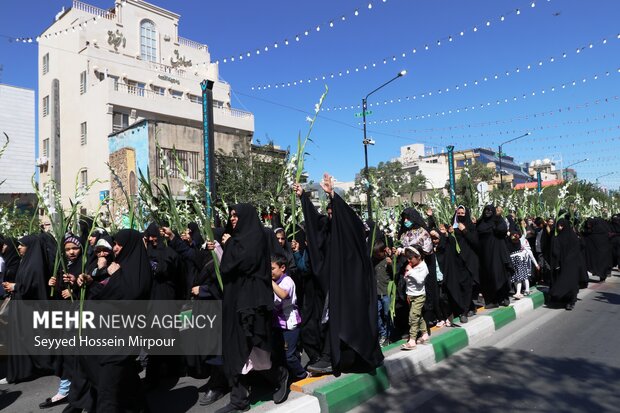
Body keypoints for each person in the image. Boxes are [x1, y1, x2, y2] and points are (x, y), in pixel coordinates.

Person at [295, 173, 383, 376]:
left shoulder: (352, 228)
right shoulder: (330, 230)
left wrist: (333, 195)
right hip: (335, 285)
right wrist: (304, 198)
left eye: (333, 210)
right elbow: (316, 224)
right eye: (329, 211)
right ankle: (330, 356)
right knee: (331, 318)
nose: (330, 214)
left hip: (353, 285)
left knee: (348, 320)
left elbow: (347, 218)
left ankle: (336, 356)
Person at [216, 204, 289, 413]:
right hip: (235, 302)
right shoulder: (234, 241)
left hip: (255, 302)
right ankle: (239, 400)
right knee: (236, 348)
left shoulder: (261, 236)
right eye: (230, 215)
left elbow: (254, 262)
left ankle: (279, 375)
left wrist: (230, 248)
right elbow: (226, 268)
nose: (232, 219)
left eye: (236, 215)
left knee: (258, 346)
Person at [271, 253, 307, 381]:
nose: (270, 272)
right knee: (281, 354)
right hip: (277, 324)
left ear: (282, 268)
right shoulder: (275, 282)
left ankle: (302, 375)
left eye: (272, 269)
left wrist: (269, 282)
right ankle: (291, 375)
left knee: (288, 356)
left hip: (289, 324)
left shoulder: (287, 281)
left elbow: (283, 294)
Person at [476, 204, 512, 308]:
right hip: (485, 256)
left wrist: (494, 226)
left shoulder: (498, 220)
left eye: (490, 210)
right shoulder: (480, 222)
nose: (487, 212)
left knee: (499, 274)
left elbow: (502, 230)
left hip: (497, 254)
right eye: (486, 210)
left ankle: (504, 297)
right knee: (489, 277)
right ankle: (493, 300)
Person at [549, 219, 589, 310]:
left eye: (562, 226)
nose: (559, 227)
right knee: (564, 281)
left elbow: (581, 246)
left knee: (572, 283)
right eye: (558, 225)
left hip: (573, 264)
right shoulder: (558, 237)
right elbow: (556, 252)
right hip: (563, 264)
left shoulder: (574, 237)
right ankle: (565, 299)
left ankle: (571, 301)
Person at [400, 246, 429, 351]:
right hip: (411, 295)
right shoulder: (412, 264)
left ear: (418, 257)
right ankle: (425, 334)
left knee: (413, 317)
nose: (408, 260)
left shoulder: (423, 267)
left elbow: (420, 280)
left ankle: (412, 340)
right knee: (418, 316)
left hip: (419, 296)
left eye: (411, 258)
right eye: (407, 258)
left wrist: (411, 271)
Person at [507, 230, 539, 300]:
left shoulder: (516, 241)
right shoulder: (513, 241)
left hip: (517, 259)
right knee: (518, 277)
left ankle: (520, 292)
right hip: (517, 259)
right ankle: (519, 292)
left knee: (520, 277)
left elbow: (518, 237)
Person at [372, 240, 392, 346]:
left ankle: (389, 335)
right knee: (377, 314)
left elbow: (394, 274)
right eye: (374, 254)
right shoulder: (373, 261)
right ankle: (383, 334)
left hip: (386, 293)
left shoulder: (388, 260)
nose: (376, 256)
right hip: (376, 293)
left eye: (378, 253)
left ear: (383, 251)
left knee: (387, 314)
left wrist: (391, 263)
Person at [582, 217, 613, 282]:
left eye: (590, 224)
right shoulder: (598, 232)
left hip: (602, 254)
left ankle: (602, 276)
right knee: (600, 264)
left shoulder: (595, 233)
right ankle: (602, 276)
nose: (589, 226)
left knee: (601, 265)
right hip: (601, 254)